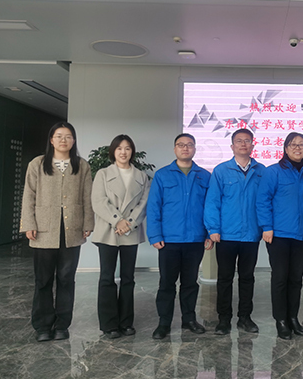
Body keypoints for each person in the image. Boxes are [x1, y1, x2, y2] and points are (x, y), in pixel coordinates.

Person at [20, 121, 94, 342]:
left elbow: (87, 197)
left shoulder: (82, 165)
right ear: (51, 140)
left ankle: (62, 324)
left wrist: (88, 223)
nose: (64, 140)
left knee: (66, 279)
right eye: (59, 136)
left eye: (68, 136)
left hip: (71, 230)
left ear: (74, 141)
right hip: (43, 230)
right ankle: (43, 326)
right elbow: (29, 195)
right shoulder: (37, 164)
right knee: (43, 280)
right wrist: (29, 223)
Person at [147, 133, 212, 339]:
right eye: (181, 145)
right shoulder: (162, 175)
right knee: (167, 283)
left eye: (189, 145)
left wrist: (209, 233)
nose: (185, 148)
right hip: (169, 240)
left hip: (195, 239)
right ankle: (164, 322)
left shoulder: (204, 176)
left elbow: (209, 207)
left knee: (190, 283)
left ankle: (189, 319)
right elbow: (154, 207)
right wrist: (155, 234)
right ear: (175, 149)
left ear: (195, 149)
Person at [204, 129, 265, 335]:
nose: (243, 144)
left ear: (252, 145)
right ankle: (223, 319)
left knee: (247, 278)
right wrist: (213, 229)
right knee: (225, 278)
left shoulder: (261, 171)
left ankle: (245, 318)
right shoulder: (221, 171)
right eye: (239, 141)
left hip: (251, 234)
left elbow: (265, 202)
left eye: (247, 141)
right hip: (226, 235)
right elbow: (212, 201)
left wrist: (264, 227)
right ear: (232, 146)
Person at [256, 132, 303, 340]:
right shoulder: (273, 172)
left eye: (301, 145)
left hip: (300, 235)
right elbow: (263, 200)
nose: (297, 148)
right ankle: (280, 320)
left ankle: (293, 318)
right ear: (285, 148)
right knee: (280, 278)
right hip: (278, 234)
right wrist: (266, 226)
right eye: (293, 144)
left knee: (296, 278)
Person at [91, 135, 151, 339]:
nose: (123, 152)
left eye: (127, 148)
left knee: (128, 278)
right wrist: (118, 221)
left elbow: (144, 203)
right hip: (109, 230)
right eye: (119, 148)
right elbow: (98, 201)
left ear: (132, 151)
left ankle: (126, 322)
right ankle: (109, 324)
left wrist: (129, 223)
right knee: (106, 277)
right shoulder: (102, 174)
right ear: (113, 151)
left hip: (130, 232)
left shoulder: (141, 176)